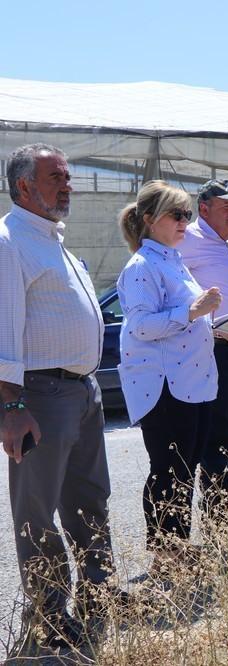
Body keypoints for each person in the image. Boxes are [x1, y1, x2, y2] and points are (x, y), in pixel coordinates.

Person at [0, 143, 128, 650]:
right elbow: (2, 333)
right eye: (57, 177)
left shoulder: (55, 242)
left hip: (82, 390)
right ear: (24, 185)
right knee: (38, 511)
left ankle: (98, 597)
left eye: (69, 176)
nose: (68, 185)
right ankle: (50, 617)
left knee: (90, 501)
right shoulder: (10, 243)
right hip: (40, 395)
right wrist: (10, 407)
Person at [116, 180, 221, 572]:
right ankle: (166, 552)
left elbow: (185, 318)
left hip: (189, 381)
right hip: (164, 386)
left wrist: (217, 326)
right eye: (176, 214)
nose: (184, 222)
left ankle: (177, 545)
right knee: (168, 469)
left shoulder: (172, 259)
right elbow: (141, 325)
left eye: (187, 215)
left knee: (184, 469)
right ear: (149, 220)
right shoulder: (142, 266)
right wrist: (194, 312)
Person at [177, 179, 228, 540]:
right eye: (227, 206)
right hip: (212, 351)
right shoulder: (187, 239)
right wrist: (216, 330)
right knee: (217, 438)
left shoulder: (225, 246)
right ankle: (223, 521)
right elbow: (176, 297)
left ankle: (223, 516)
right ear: (204, 208)